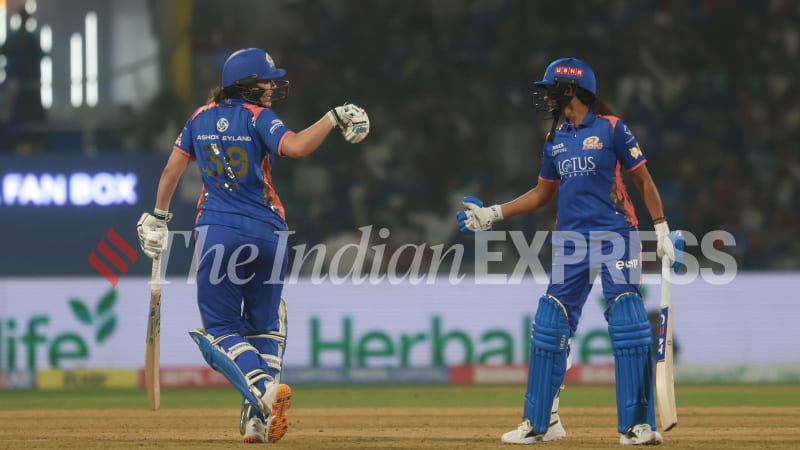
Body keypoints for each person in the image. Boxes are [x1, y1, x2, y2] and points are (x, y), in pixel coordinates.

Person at [136, 47, 370, 444]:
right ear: (245, 85)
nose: (272, 86)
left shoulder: (198, 118)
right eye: (266, 80)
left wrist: (158, 217)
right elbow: (296, 148)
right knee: (265, 326)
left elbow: (172, 171)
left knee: (222, 330)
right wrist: (332, 118)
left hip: (217, 232)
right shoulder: (259, 117)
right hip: (269, 233)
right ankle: (257, 421)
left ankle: (262, 389)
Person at [457, 57, 682, 445]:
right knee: (550, 325)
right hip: (572, 242)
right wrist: (493, 213)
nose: (544, 97)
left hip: (617, 235)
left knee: (628, 322)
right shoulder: (554, 139)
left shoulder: (612, 128)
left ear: (571, 90)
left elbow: (642, 179)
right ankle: (541, 424)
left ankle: (637, 426)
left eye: (550, 89)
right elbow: (543, 193)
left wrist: (660, 228)